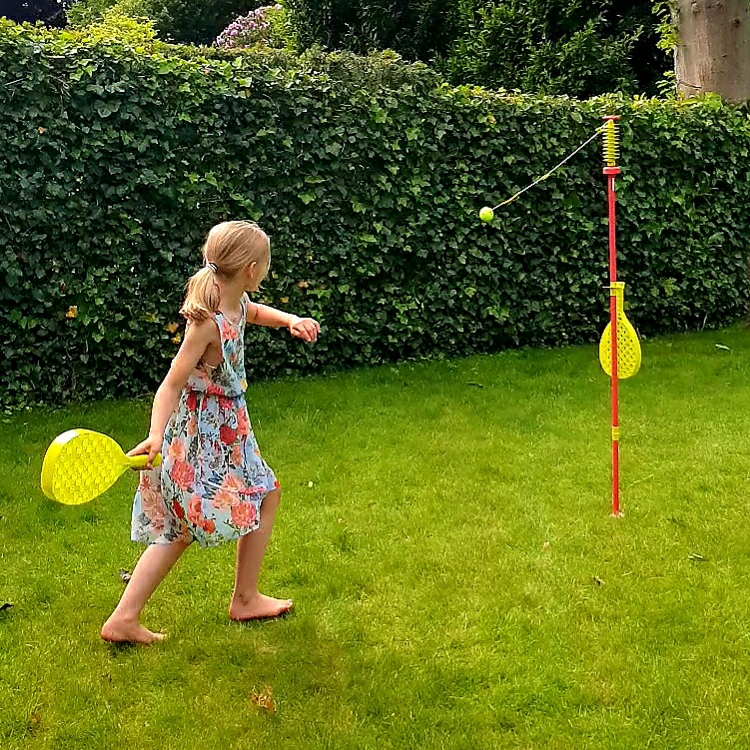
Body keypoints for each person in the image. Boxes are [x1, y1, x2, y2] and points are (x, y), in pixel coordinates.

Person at [101, 220, 320, 644]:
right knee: (182, 528)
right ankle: (125, 619)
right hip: (203, 436)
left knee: (265, 492)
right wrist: (155, 435)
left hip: (230, 430)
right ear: (252, 269)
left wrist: (291, 319)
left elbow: (255, 312)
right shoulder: (208, 322)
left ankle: (245, 597)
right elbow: (171, 383)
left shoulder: (236, 301)